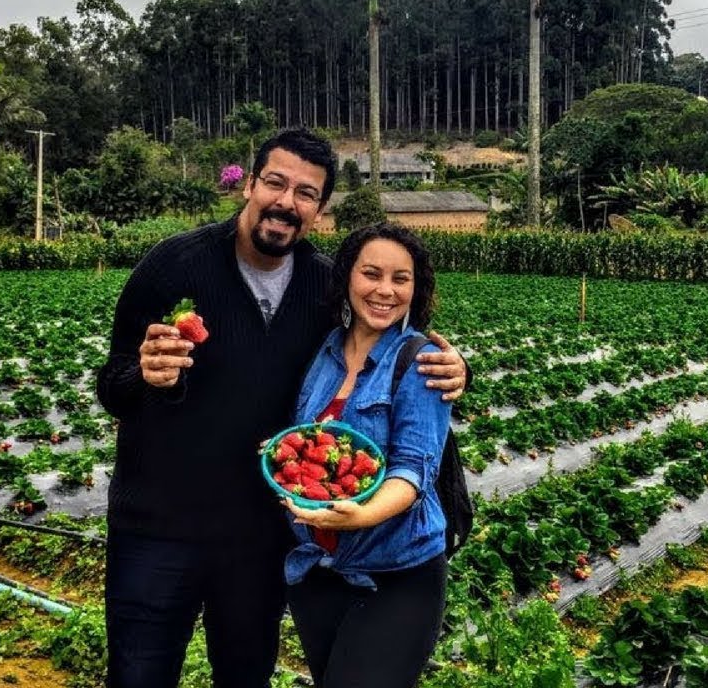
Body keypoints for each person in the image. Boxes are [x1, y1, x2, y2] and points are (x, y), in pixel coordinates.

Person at [96, 128, 468, 688]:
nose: (286, 202)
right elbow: (111, 383)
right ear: (249, 185)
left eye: (306, 193)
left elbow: (385, 337)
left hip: (259, 537)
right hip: (158, 529)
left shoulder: (324, 288)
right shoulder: (173, 266)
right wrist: (144, 375)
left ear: (319, 211)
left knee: (245, 676)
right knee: (139, 674)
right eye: (276, 182)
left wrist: (459, 369)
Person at [281, 223, 451, 688]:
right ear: (348, 278)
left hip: (398, 571)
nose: (385, 290)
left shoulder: (423, 361)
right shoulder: (326, 350)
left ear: (416, 288)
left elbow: (414, 469)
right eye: (371, 274)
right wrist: (281, 451)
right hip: (316, 566)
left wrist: (362, 514)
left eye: (401, 278)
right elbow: (309, 438)